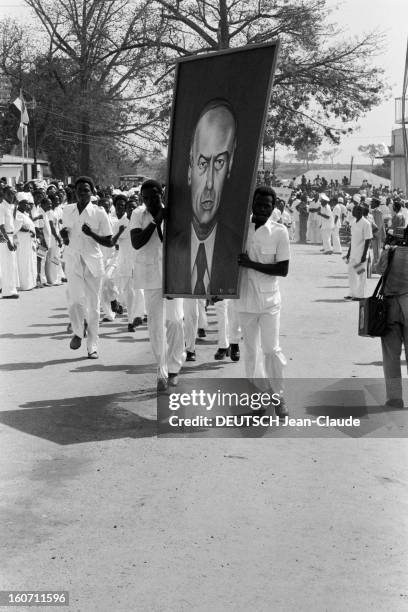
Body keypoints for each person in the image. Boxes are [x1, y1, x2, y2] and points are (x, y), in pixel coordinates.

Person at [166, 98, 241, 296]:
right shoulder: (171, 246)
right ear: (190, 168)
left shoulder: (237, 247)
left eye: (219, 163)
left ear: (230, 166)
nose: (209, 183)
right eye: (202, 163)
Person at [236, 186, 289, 418]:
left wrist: (251, 264)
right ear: (252, 204)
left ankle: (278, 395)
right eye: (259, 204)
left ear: (273, 207)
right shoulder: (240, 229)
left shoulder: (279, 232)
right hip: (245, 299)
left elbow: (282, 269)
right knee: (251, 353)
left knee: (271, 349)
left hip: (269, 301)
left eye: (267, 205)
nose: (262, 208)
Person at [130, 179, 185, 390]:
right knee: (155, 325)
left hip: (172, 274)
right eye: (145, 198)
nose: (150, 201)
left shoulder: (173, 213)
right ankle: (162, 371)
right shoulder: (138, 215)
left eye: (154, 197)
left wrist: (164, 218)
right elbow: (137, 243)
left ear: (161, 195)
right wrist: (155, 221)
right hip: (151, 276)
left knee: (175, 321)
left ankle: (174, 368)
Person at [61, 176, 113, 359]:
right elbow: (67, 237)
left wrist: (91, 233)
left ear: (92, 193)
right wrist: (64, 237)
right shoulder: (66, 210)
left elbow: (108, 241)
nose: (83, 193)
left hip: (92, 263)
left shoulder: (99, 213)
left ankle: (92, 346)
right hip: (73, 260)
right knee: (75, 301)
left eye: (86, 190)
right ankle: (77, 330)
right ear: (75, 192)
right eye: (80, 190)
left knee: (93, 307)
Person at [380, 239, 408, 408]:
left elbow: (378, 269)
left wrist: (387, 248)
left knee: (391, 355)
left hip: (390, 308)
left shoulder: (390, 251)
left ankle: (395, 398)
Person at [344, 203, 372, 301]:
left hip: (361, 254)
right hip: (353, 254)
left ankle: (360, 295)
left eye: (355, 210)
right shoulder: (354, 222)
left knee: (361, 275)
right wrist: (348, 254)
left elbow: (368, 240)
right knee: (351, 273)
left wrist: (364, 255)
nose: (353, 212)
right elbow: (353, 240)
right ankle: (352, 293)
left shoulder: (366, 223)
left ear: (360, 212)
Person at [0, 185, 19, 298]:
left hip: (11, 236)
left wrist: (13, 240)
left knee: (11, 265)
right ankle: (7, 292)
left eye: (13, 193)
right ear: (4, 194)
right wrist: (8, 241)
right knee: (7, 265)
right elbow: (1, 226)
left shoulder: (10, 207)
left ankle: (11, 289)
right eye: (10, 193)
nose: (12, 196)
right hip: (5, 238)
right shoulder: (1, 207)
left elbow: (12, 223)